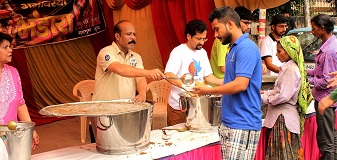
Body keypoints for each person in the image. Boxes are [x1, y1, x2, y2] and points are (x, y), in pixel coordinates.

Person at [192, 6, 263, 159]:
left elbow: (240, 84)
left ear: (230, 24)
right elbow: (229, 81)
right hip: (229, 121)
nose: (216, 35)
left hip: (243, 123)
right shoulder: (233, 48)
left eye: (217, 29)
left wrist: (208, 91)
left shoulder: (246, 48)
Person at [261, 36, 312, 159]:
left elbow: (283, 96)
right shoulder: (288, 68)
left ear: (289, 51)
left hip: (283, 120)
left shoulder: (291, 70)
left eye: (279, 51)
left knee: (283, 155)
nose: (276, 54)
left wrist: (265, 98)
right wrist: (266, 93)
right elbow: (280, 91)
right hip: (281, 118)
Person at [164, 19, 222, 126]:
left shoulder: (203, 53)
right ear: (188, 36)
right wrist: (185, 87)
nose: (202, 42)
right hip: (179, 106)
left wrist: (224, 82)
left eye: (204, 39)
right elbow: (168, 75)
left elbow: (208, 77)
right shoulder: (178, 52)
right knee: (178, 138)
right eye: (198, 39)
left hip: (198, 105)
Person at [92, 20, 165, 102]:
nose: (133, 37)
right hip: (104, 109)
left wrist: (142, 93)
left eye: (134, 34)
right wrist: (148, 72)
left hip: (126, 109)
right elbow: (118, 69)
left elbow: (140, 78)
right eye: (128, 34)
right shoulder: (106, 52)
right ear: (117, 36)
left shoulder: (136, 57)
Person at [0, 32, 39, 150]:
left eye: (10, 46)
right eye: (5, 47)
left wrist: (31, 129)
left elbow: (20, 104)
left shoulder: (13, 72)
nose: (10, 50)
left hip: (11, 137)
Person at [307, 14, 337, 159]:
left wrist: (309, 81)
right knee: (328, 137)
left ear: (322, 29)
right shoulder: (328, 46)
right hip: (324, 99)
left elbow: (326, 80)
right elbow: (319, 72)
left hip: (326, 101)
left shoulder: (329, 51)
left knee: (326, 141)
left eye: (314, 29)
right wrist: (304, 72)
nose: (312, 32)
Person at [210, 6, 256, 80]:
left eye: (217, 29)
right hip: (221, 85)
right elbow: (224, 68)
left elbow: (241, 83)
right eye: (246, 23)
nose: (249, 26)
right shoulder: (228, 42)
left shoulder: (246, 46)